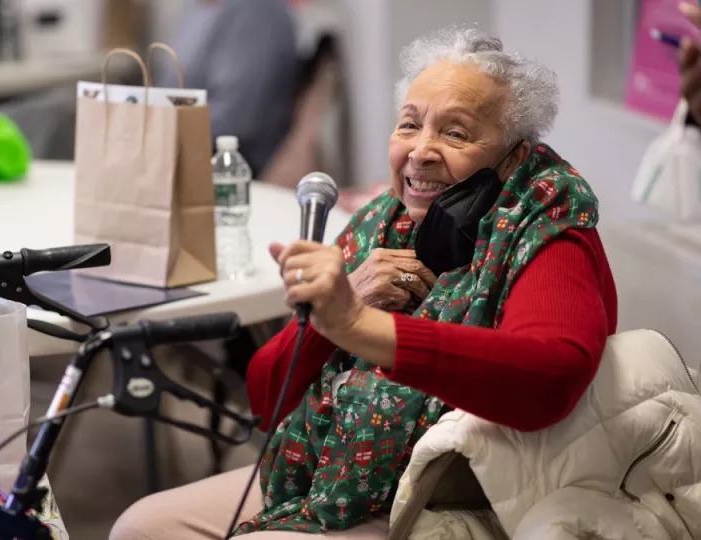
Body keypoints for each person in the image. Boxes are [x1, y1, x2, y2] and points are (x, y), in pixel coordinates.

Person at [111, 26, 617, 539]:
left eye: (456, 133)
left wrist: (359, 325)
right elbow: (267, 397)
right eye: (409, 126)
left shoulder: (548, 225)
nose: (421, 151)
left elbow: (551, 378)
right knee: (141, 526)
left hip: (451, 499)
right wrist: (337, 314)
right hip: (329, 472)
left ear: (512, 157)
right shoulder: (380, 221)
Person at [155, 0, 298, 175]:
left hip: (228, 165)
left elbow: (237, 117)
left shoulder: (257, 11)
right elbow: (167, 88)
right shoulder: (195, 8)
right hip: (177, 146)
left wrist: (158, 130)